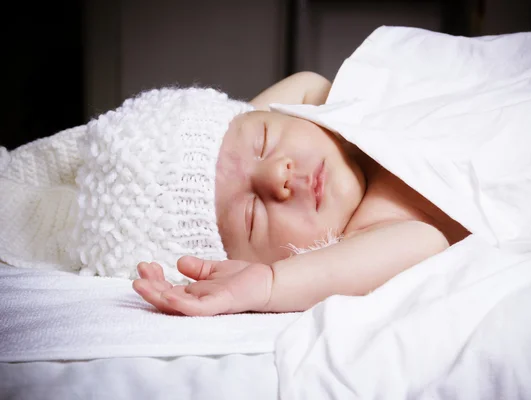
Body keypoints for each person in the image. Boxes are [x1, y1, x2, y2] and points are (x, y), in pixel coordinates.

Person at [131, 71, 471, 316]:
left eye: (263, 141)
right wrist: (269, 284)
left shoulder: (336, 109)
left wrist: (223, 123)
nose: (277, 175)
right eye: (252, 216)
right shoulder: (372, 227)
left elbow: (309, 84)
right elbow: (426, 243)